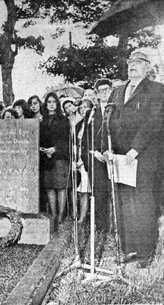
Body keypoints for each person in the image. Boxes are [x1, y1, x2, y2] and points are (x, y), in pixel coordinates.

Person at [102, 50, 164, 268]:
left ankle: (146, 252)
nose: (133, 65)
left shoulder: (157, 90)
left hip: (144, 158)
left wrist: (135, 149)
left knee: (144, 203)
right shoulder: (117, 91)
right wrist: (106, 150)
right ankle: (129, 249)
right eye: (130, 62)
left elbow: (154, 122)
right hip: (119, 159)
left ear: (148, 68)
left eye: (138, 62)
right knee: (124, 203)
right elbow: (107, 121)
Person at [40, 92, 70, 228]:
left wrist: (56, 148)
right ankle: (53, 215)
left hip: (59, 157)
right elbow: (39, 139)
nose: (51, 104)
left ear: (57, 104)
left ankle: (61, 217)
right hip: (47, 158)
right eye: (48, 102)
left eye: (53, 102)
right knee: (50, 188)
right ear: (45, 104)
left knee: (61, 188)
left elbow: (66, 140)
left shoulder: (63, 120)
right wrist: (42, 148)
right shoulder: (42, 121)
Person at [91, 78, 113, 232]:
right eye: (101, 90)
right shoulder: (91, 114)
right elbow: (86, 137)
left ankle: (117, 226)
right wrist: (95, 153)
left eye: (107, 89)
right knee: (100, 193)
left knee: (116, 193)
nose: (104, 93)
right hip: (97, 159)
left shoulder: (118, 110)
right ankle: (102, 226)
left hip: (114, 158)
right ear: (97, 94)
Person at [75, 99, 94, 223]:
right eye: (81, 108)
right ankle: (81, 217)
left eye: (86, 107)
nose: (83, 110)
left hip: (89, 161)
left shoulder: (93, 122)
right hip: (80, 161)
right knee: (82, 191)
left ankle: (86, 218)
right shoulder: (78, 124)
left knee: (87, 190)